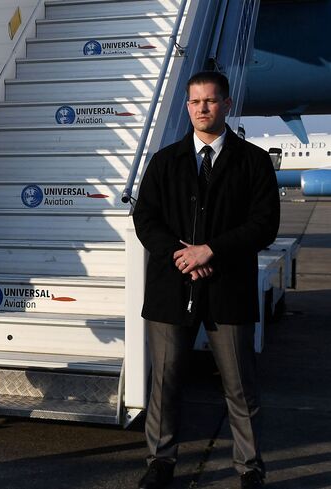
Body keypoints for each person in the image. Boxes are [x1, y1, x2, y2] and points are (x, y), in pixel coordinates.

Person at [133, 71, 280, 489]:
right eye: (195, 102)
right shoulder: (165, 162)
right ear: (187, 105)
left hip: (227, 289)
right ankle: (160, 461)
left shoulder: (252, 161)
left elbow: (264, 224)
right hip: (171, 289)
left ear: (227, 105)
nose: (202, 109)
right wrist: (181, 256)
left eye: (211, 101)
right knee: (164, 381)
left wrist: (210, 250)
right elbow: (145, 218)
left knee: (239, 385)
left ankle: (250, 468)